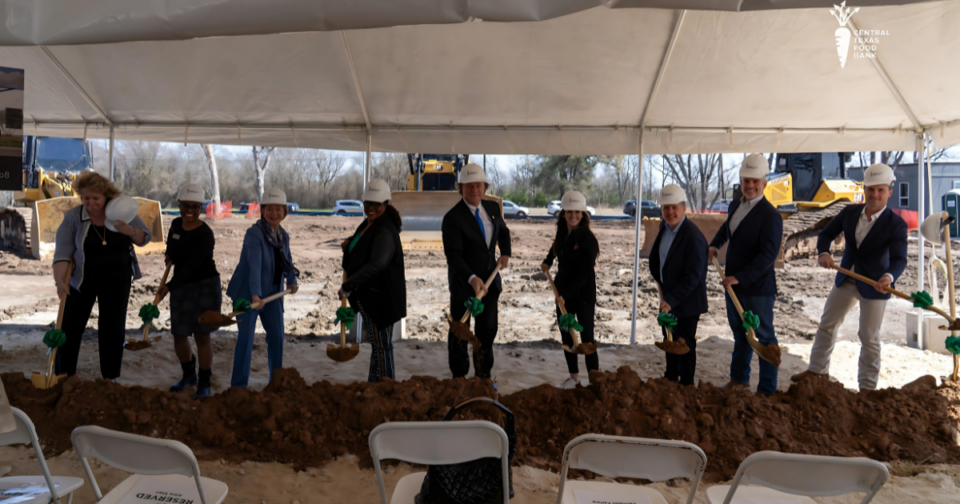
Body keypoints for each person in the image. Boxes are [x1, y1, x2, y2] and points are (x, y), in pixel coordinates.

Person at [791, 163, 907, 391]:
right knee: (827, 324)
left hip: (875, 285)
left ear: (889, 192)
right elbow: (826, 234)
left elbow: (899, 259)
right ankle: (816, 371)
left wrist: (888, 277)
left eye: (880, 190)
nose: (875, 195)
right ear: (865, 189)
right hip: (846, 279)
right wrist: (823, 252)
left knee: (869, 337)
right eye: (871, 189)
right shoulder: (850, 213)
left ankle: (867, 389)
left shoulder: (896, 225)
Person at [52, 171, 152, 381]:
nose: (90, 203)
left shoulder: (122, 211)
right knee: (69, 327)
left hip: (117, 281)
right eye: (86, 198)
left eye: (95, 198)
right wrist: (60, 282)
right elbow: (62, 253)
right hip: (81, 281)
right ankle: (64, 375)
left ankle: (110, 378)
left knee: (112, 330)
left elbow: (144, 237)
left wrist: (130, 231)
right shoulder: (73, 218)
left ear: (106, 196)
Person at [708, 154, 783, 395]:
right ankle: (739, 380)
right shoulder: (735, 205)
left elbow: (767, 256)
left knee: (763, 338)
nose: (749, 186)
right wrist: (715, 244)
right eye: (745, 181)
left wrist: (739, 277)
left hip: (757, 289)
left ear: (764, 183)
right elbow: (727, 228)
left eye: (754, 181)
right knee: (740, 335)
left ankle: (767, 389)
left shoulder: (770, 216)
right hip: (734, 286)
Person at [442, 163, 512, 380]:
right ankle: (459, 377)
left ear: (485, 186)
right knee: (460, 331)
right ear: (460, 188)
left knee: (487, 330)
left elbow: (503, 231)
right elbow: (454, 256)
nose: (474, 190)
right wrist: (472, 279)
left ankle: (483, 375)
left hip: (490, 283)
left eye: (478, 185)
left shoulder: (492, 208)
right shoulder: (453, 218)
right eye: (469, 186)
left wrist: (505, 253)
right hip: (465, 284)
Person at [226, 187, 299, 388]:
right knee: (246, 337)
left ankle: (276, 381)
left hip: (273, 293)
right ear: (262, 210)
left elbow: (287, 259)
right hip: (247, 293)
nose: (274, 213)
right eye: (269, 208)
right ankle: (238, 386)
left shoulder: (283, 235)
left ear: (284, 211)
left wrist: (291, 280)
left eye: (278, 209)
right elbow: (254, 265)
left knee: (277, 336)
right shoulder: (254, 234)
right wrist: (255, 295)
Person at [339, 179, 406, 382]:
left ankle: (386, 387)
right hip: (372, 297)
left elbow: (378, 264)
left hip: (381, 299)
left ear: (386, 204)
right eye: (367, 203)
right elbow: (367, 244)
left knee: (382, 346)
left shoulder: (385, 229)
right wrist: (350, 243)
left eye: (376, 204)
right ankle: (375, 384)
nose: (370, 208)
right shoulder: (370, 223)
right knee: (378, 346)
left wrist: (348, 286)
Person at [158, 184, 221, 399]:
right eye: (185, 205)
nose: (190, 210)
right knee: (179, 333)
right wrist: (169, 255)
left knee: (202, 335)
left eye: (195, 206)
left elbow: (192, 266)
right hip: (180, 285)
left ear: (201, 207)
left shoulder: (205, 234)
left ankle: (204, 382)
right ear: (179, 205)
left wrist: (169, 287)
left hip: (204, 285)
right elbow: (172, 246)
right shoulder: (175, 225)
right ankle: (188, 376)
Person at [648, 184, 708, 385]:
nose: (670, 212)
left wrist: (671, 300)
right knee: (670, 339)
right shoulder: (664, 227)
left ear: (684, 208)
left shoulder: (693, 237)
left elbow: (694, 276)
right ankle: (671, 377)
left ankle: (687, 384)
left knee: (685, 344)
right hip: (668, 296)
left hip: (687, 301)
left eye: (674, 207)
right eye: (666, 207)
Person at [541, 191, 599, 389]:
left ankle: (594, 381)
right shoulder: (562, 232)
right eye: (569, 212)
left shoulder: (588, 240)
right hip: (562, 292)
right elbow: (556, 247)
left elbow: (584, 275)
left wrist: (567, 294)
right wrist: (548, 261)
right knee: (567, 335)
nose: (573, 215)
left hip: (582, 295)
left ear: (582, 214)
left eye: (577, 212)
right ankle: (574, 379)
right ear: (563, 213)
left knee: (587, 338)